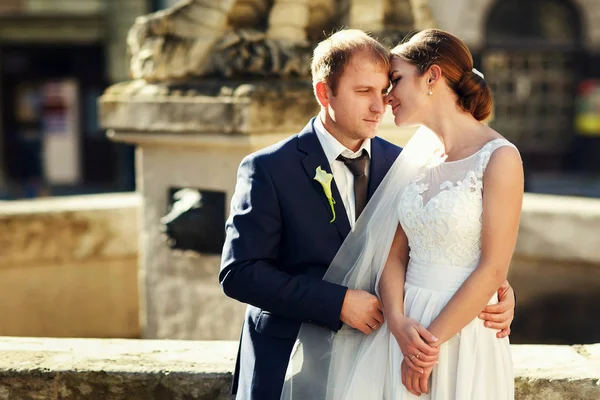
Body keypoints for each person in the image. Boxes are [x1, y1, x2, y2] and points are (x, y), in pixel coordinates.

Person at [220, 29, 516, 400]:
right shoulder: (268, 168)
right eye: (365, 92)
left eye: (385, 89)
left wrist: (495, 288)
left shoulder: (405, 163)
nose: (382, 105)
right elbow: (239, 273)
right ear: (323, 92)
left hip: (381, 359)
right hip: (290, 363)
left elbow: (437, 242)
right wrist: (337, 302)